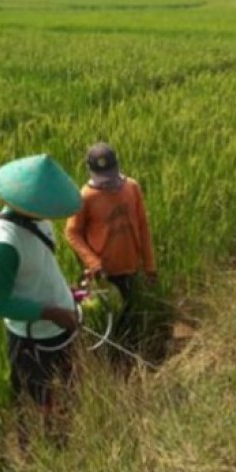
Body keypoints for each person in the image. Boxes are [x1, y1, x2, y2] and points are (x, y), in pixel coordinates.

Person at [0, 153, 82, 443]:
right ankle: (40, 446)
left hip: (62, 326)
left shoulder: (40, 221)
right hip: (32, 338)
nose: (51, 212)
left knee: (68, 385)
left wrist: (66, 291)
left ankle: (67, 434)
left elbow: (42, 266)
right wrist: (51, 312)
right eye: (46, 206)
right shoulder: (3, 244)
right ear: (28, 204)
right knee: (36, 396)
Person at [65, 143, 157, 365]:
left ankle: (133, 359)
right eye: (103, 179)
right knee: (107, 324)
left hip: (131, 267)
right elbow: (72, 233)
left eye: (111, 176)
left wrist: (150, 267)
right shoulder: (85, 197)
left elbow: (143, 227)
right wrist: (93, 262)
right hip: (104, 276)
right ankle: (109, 364)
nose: (108, 184)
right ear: (91, 171)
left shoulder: (132, 188)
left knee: (130, 317)